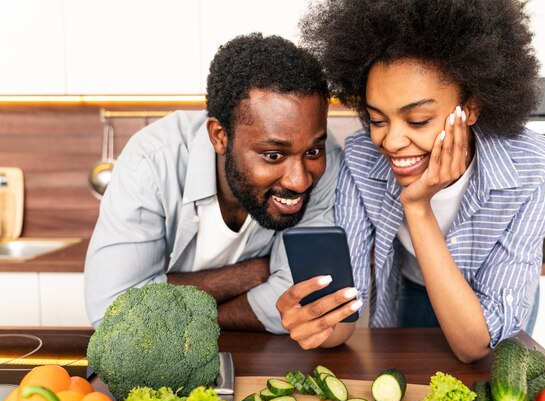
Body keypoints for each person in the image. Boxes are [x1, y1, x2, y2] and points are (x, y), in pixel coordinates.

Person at [298, 0, 545, 362]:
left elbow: (475, 344)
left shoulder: (534, 168)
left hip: (496, 304)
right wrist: (316, 320)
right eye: (378, 120)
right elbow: (348, 307)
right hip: (413, 288)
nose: (391, 142)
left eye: (419, 120)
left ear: (470, 106)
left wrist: (417, 206)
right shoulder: (363, 158)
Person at [84, 33, 359, 347]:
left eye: (312, 152)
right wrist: (249, 274)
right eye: (273, 155)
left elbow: (306, 295)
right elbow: (112, 311)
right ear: (220, 136)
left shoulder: (328, 158)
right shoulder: (152, 162)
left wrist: (166, 300)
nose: (299, 181)